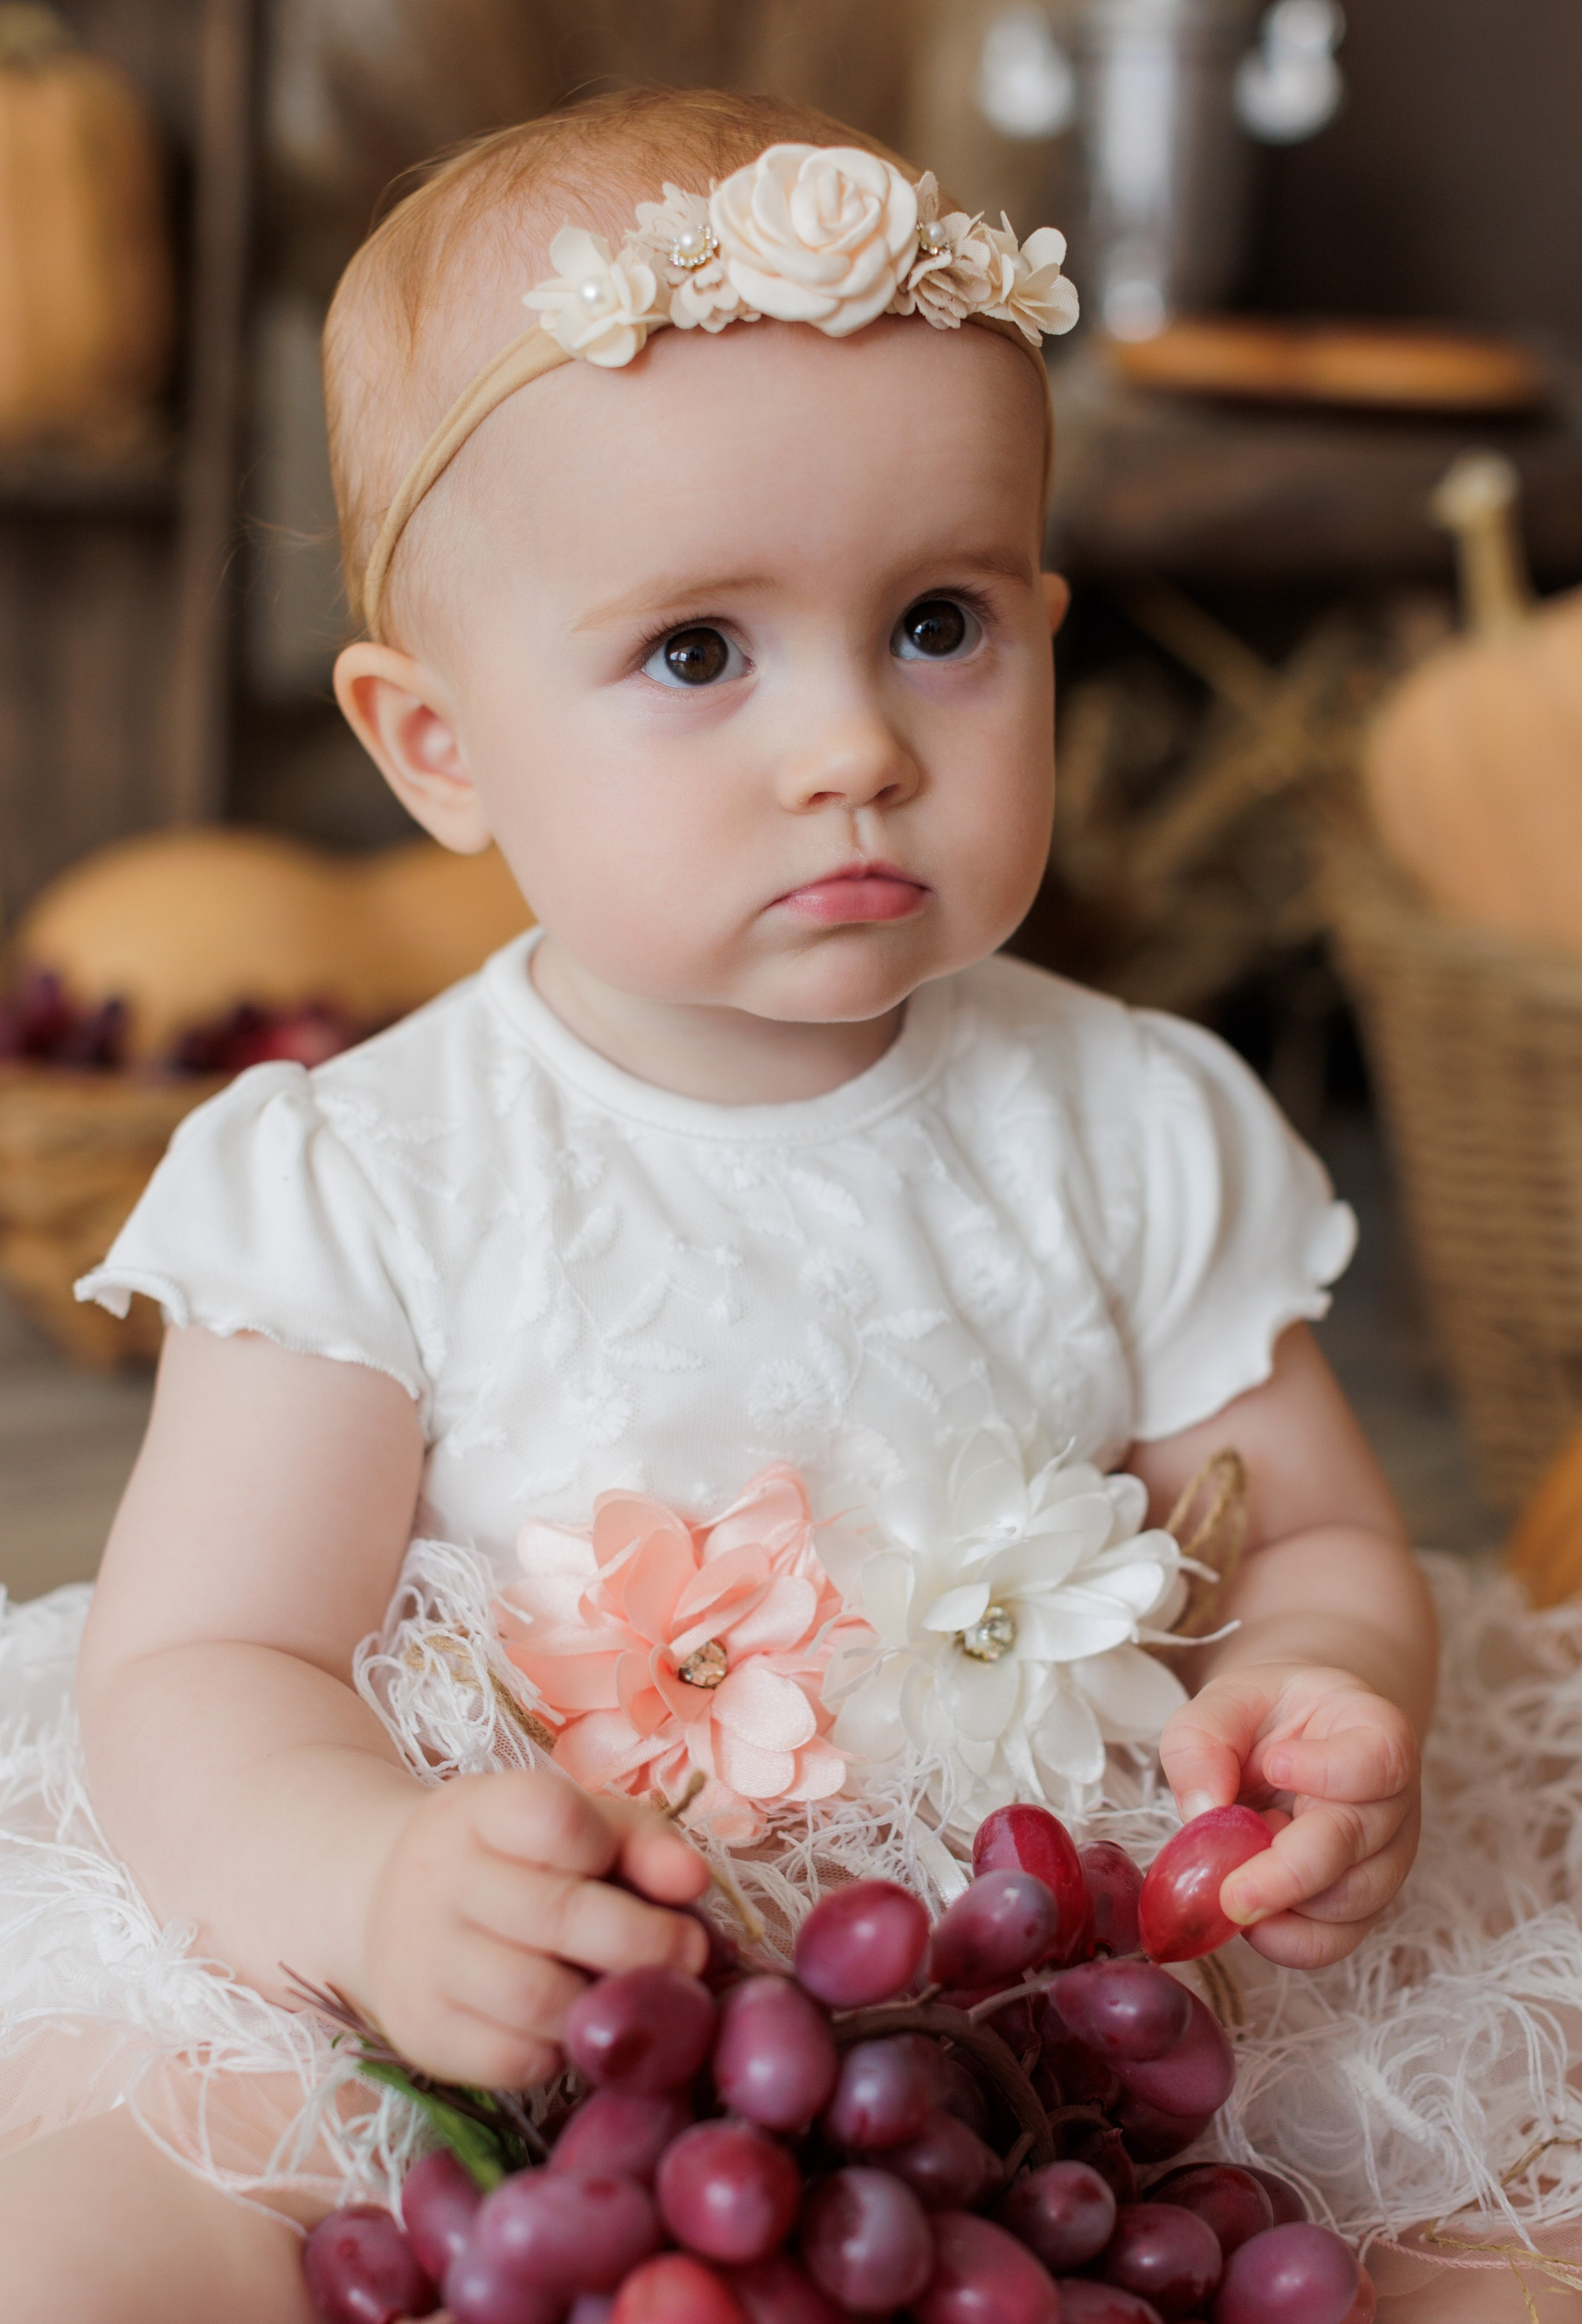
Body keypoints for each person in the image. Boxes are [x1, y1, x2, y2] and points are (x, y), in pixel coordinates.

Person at [0, 84, 1570, 2324]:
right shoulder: (365, 1176)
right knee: (87, 2238)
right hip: (521, 1970)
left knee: (1485, 2221)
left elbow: (1309, 1522)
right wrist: (369, 1887)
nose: (854, 742)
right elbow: (205, 1659)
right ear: (434, 742)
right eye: (701, 652)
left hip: (1068, 1982)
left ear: (1046, 621)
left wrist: (1321, 1690)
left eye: (940, 622)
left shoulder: (1133, 1119)